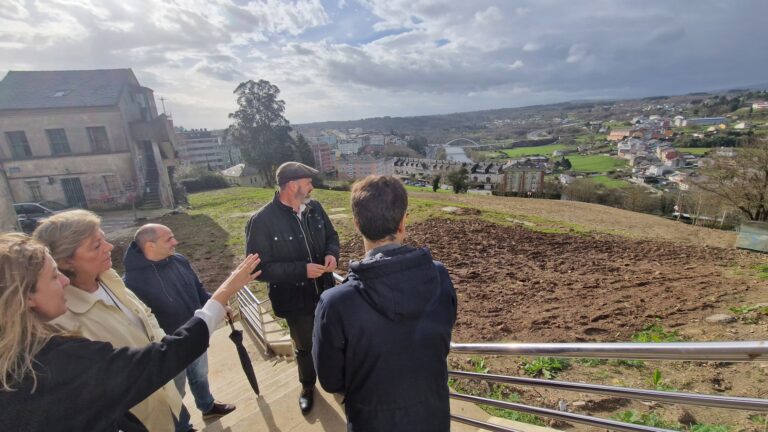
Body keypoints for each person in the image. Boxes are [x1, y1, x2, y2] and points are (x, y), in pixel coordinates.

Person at [0, 232, 260, 431]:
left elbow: (144, 313)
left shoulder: (114, 281)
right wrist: (223, 293)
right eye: (54, 276)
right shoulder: (57, 362)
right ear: (24, 296)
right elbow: (154, 362)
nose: (64, 282)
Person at [312, 175, 457, 431]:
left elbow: (330, 380)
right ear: (403, 223)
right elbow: (441, 340)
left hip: (371, 421)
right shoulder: (439, 275)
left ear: (357, 225)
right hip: (432, 417)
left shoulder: (335, 304)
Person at [32, 210, 188, 432]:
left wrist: (163, 350)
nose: (110, 247)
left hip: (166, 392)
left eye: (104, 238)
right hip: (138, 420)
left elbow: (145, 314)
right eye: (96, 245)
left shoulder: (109, 278)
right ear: (66, 261)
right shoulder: (60, 320)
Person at [245, 161, 340, 414]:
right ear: (291, 185)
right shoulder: (261, 221)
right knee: (304, 347)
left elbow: (332, 236)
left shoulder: (315, 208)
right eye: (308, 182)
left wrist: (331, 254)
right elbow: (258, 269)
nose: (312, 187)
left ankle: (336, 381)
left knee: (333, 339)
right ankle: (308, 386)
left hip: (326, 293)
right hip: (295, 300)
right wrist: (302, 270)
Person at [123, 224, 236, 425]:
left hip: (196, 336)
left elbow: (199, 290)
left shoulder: (179, 260)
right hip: (170, 348)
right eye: (169, 239)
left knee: (200, 376)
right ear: (150, 246)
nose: (175, 242)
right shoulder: (132, 282)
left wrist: (218, 306)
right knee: (176, 392)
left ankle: (208, 406)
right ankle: (182, 426)